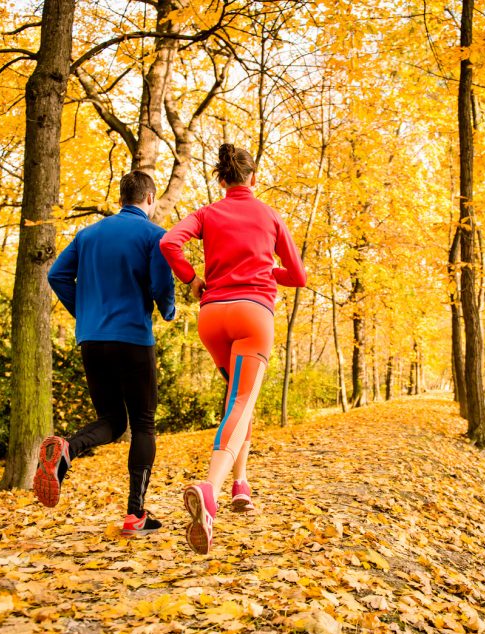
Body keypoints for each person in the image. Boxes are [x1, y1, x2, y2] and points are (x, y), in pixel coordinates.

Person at [160, 143, 306, 554]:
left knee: (238, 401)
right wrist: (262, 267)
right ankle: (212, 489)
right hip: (252, 315)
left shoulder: (207, 213)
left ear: (221, 180)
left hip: (212, 317)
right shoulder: (269, 215)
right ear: (254, 178)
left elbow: (170, 243)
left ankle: (241, 484)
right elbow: (297, 275)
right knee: (242, 400)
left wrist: (192, 277)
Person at [35, 170, 176, 538]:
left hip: (93, 341)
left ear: (121, 198)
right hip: (132, 338)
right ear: (149, 199)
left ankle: (67, 447)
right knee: (143, 422)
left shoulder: (88, 235)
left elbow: (56, 276)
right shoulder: (154, 236)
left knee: (112, 421)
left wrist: (85, 313)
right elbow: (162, 284)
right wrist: (168, 309)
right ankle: (135, 515)